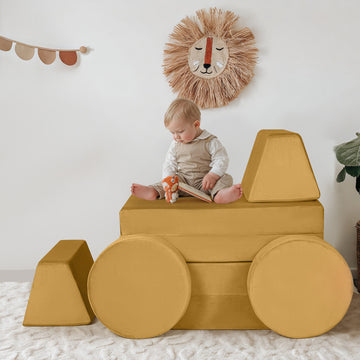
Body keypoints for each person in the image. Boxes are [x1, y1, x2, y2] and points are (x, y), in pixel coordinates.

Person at [131, 98, 242, 204]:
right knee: (169, 181)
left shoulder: (210, 141)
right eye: (172, 133)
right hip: (183, 183)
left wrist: (213, 175)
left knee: (226, 178)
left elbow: (221, 159)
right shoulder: (175, 144)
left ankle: (220, 194)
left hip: (206, 183)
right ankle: (153, 191)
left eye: (180, 131)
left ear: (196, 125)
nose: (176, 136)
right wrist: (168, 180)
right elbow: (170, 163)